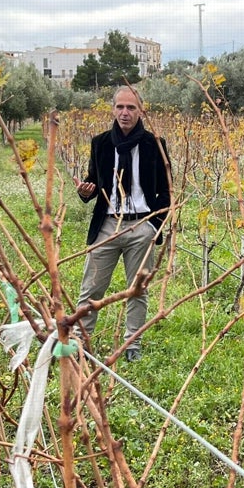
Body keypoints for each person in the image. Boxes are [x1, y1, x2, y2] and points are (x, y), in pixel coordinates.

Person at [75, 86, 171, 362]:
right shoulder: (101, 143)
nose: (125, 113)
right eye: (120, 107)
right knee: (91, 287)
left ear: (141, 110)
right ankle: (81, 343)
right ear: (113, 109)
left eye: (131, 108)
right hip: (107, 224)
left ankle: (132, 345)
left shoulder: (155, 144)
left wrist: (155, 225)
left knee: (138, 289)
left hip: (141, 226)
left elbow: (166, 190)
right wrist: (85, 191)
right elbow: (94, 182)